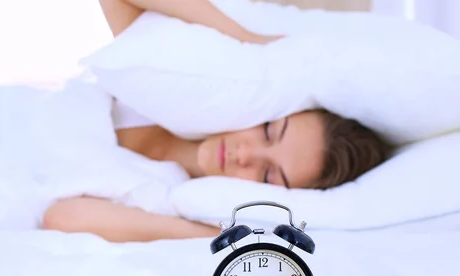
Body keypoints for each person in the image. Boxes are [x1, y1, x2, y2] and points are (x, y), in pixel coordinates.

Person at [42, 0, 392, 242]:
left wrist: (213, 238)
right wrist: (244, 39)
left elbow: (61, 218)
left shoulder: (171, 198)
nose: (246, 155)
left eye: (268, 175)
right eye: (269, 130)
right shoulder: (167, 90)